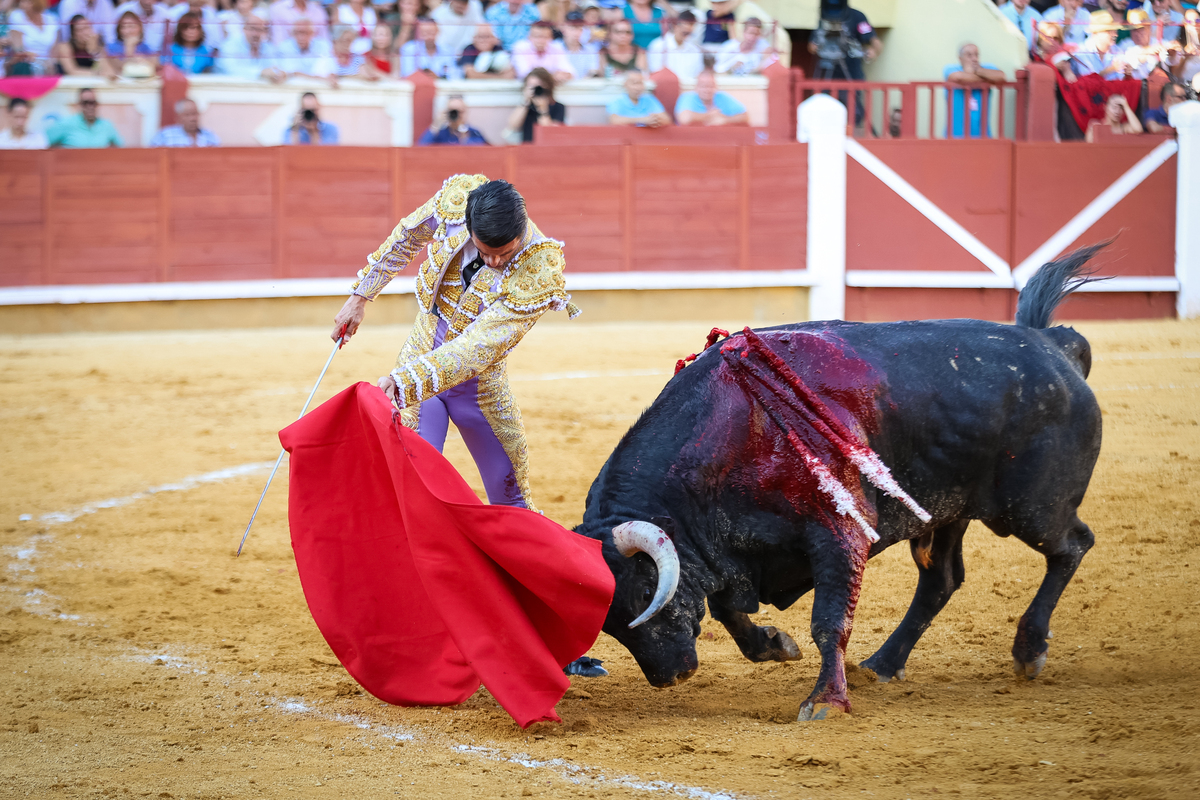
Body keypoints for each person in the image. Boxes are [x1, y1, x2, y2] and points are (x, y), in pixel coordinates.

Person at [332, 175, 576, 518]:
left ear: (519, 236)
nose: (493, 262)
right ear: (468, 225)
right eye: (484, 251)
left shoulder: (538, 271)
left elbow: (475, 349)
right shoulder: (456, 202)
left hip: (477, 389)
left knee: (513, 502)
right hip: (419, 364)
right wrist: (360, 296)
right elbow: (406, 238)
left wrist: (405, 381)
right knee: (411, 490)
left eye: (504, 253)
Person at [808, 0, 882, 82]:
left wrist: (872, 51)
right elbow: (812, 46)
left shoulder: (857, 16)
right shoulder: (825, 16)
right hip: (829, 74)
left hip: (852, 73)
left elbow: (874, 41)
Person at [944, 43, 1006, 138]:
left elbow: (1001, 77)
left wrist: (978, 70)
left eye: (976, 55)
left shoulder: (986, 68)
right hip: (955, 136)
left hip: (983, 137)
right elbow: (957, 77)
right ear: (960, 58)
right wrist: (987, 78)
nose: (974, 59)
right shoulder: (951, 68)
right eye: (969, 55)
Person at [216, 12, 285, 81]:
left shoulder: (267, 47)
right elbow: (230, 69)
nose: (255, 34)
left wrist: (279, 74)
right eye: (252, 29)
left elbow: (275, 67)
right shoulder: (230, 44)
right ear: (244, 29)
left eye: (259, 30)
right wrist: (260, 72)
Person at [502, 66, 564, 142]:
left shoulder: (558, 107)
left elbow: (548, 132)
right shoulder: (526, 107)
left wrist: (543, 109)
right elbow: (513, 126)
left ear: (547, 86)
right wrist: (525, 102)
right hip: (527, 148)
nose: (535, 90)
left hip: (547, 149)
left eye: (538, 86)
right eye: (530, 85)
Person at [46, 88, 123, 148]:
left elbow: (122, 149)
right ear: (79, 104)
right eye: (85, 103)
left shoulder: (106, 125)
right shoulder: (66, 123)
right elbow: (42, 142)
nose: (90, 106)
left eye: (93, 103)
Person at [675, 68, 748, 125]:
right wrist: (710, 115)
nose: (707, 90)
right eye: (703, 86)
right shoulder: (687, 97)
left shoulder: (722, 96)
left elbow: (745, 116)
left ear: (715, 87)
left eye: (710, 86)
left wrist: (725, 120)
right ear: (696, 88)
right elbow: (684, 119)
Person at [7, 0, 60, 73]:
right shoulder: (16, 16)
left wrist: (50, 63)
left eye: (25, 1)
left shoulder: (52, 18)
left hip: (49, 64)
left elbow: (55, 48)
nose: (21, 4)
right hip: (26, 63)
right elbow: (18, 49)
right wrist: (37, 61)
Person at [645, 9, 701, 79]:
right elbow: (655, 73)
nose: (689, 29)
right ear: (675, 26)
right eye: (684, 29)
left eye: (691, 25)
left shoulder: (695, 50)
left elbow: (697, 75)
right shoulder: (658, 46)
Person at [1073, 11, 1125, 78]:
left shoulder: (1117, 51)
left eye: (1114, 31)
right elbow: (1088, 80)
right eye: (1109, 31)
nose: (1115, 35)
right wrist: (1111, 69)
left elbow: (1121, 79)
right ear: (1095, 33)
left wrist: (1127, 72)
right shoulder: (1082, 51)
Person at [419, 94, 488, 144]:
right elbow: (422, 147)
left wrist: (463, 135)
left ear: (465, 112)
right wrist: (436, 125)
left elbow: (481, 151)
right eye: (453, 111)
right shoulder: (441, 134)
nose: (456, 115)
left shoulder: (474, 133)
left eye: (460, 111)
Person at [149, 97, 220, 146]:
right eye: (187, 115)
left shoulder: (210, 136)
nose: (192, 118)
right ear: (178, 118)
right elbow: (151, 159)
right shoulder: (165, 136)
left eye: (194, 113)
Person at [105, 10, 156, 77]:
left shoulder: (146, 48)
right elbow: (121, 69)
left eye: (131, 26)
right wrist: (129, 47)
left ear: (140, 28)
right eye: (123, 27)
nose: (127, 31)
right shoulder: (111, 48)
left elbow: (152, 69)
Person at [560, 11, 600, 78]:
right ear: (563, 28)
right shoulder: (555, 47)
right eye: (572, 28)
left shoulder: (591, 50)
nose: (576, 33)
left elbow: (593, 72)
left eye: (579, 28)